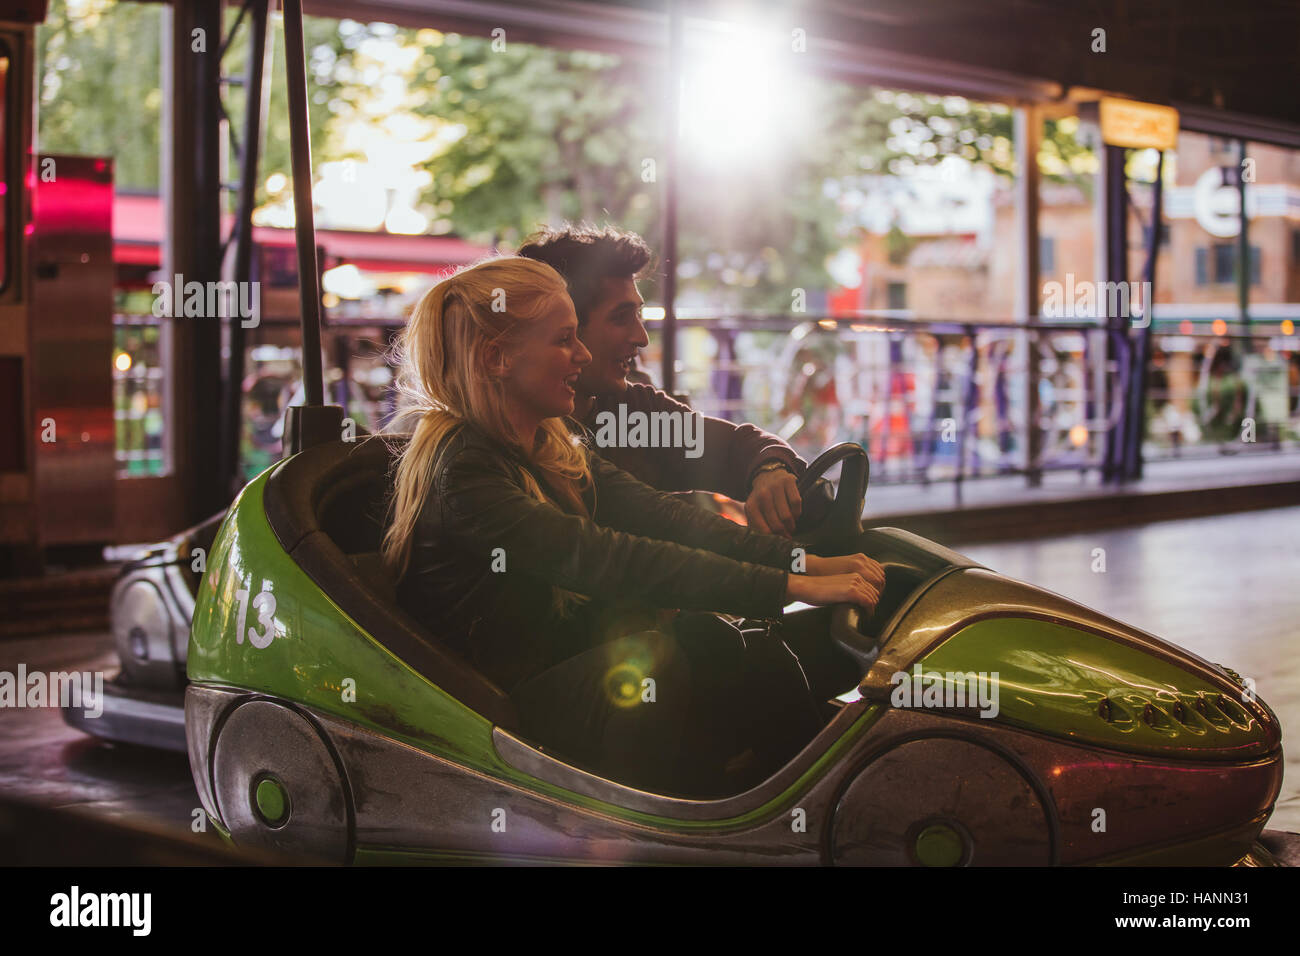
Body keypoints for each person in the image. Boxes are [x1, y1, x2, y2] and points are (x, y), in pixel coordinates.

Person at [382, 257, 884, 797]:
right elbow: (609, 557)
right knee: (655, 666)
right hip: (493, 713)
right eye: (565, 340)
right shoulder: (462, 471)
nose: (582, 355)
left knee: (726, 640)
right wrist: (790, 585)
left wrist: (801, 563)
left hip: (559, 661)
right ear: (498, 357)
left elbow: (662, 518)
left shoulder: (549, 441)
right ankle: (655, 834)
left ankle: (819, 806)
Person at [517, 225, 807, 538]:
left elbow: (737, 446)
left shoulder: (634, 413)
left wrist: (770, 468)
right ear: (565, 325)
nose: (641, 338)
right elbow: (641, 559)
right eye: (620, 317)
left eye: (638, 315)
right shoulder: (513, 438)